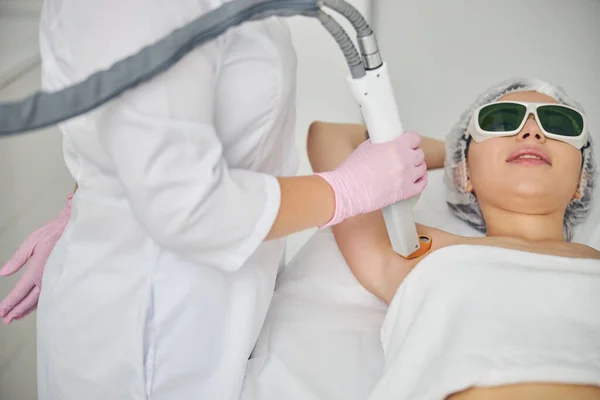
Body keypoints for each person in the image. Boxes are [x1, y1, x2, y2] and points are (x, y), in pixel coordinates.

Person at [0, 1, 429, 399]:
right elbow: (188, 208)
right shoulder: (135, 9)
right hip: (148, 330)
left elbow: (146, 127)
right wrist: (347, 189)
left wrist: (85, 198)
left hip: (222, 295)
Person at [307, 79, 600, 400]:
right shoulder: (420, 251)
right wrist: (453, 156)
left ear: (581, 181)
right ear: (465, 175)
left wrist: (476, 152)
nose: (532, 133)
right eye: (501, 122)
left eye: (558, 124)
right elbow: (330, 135)